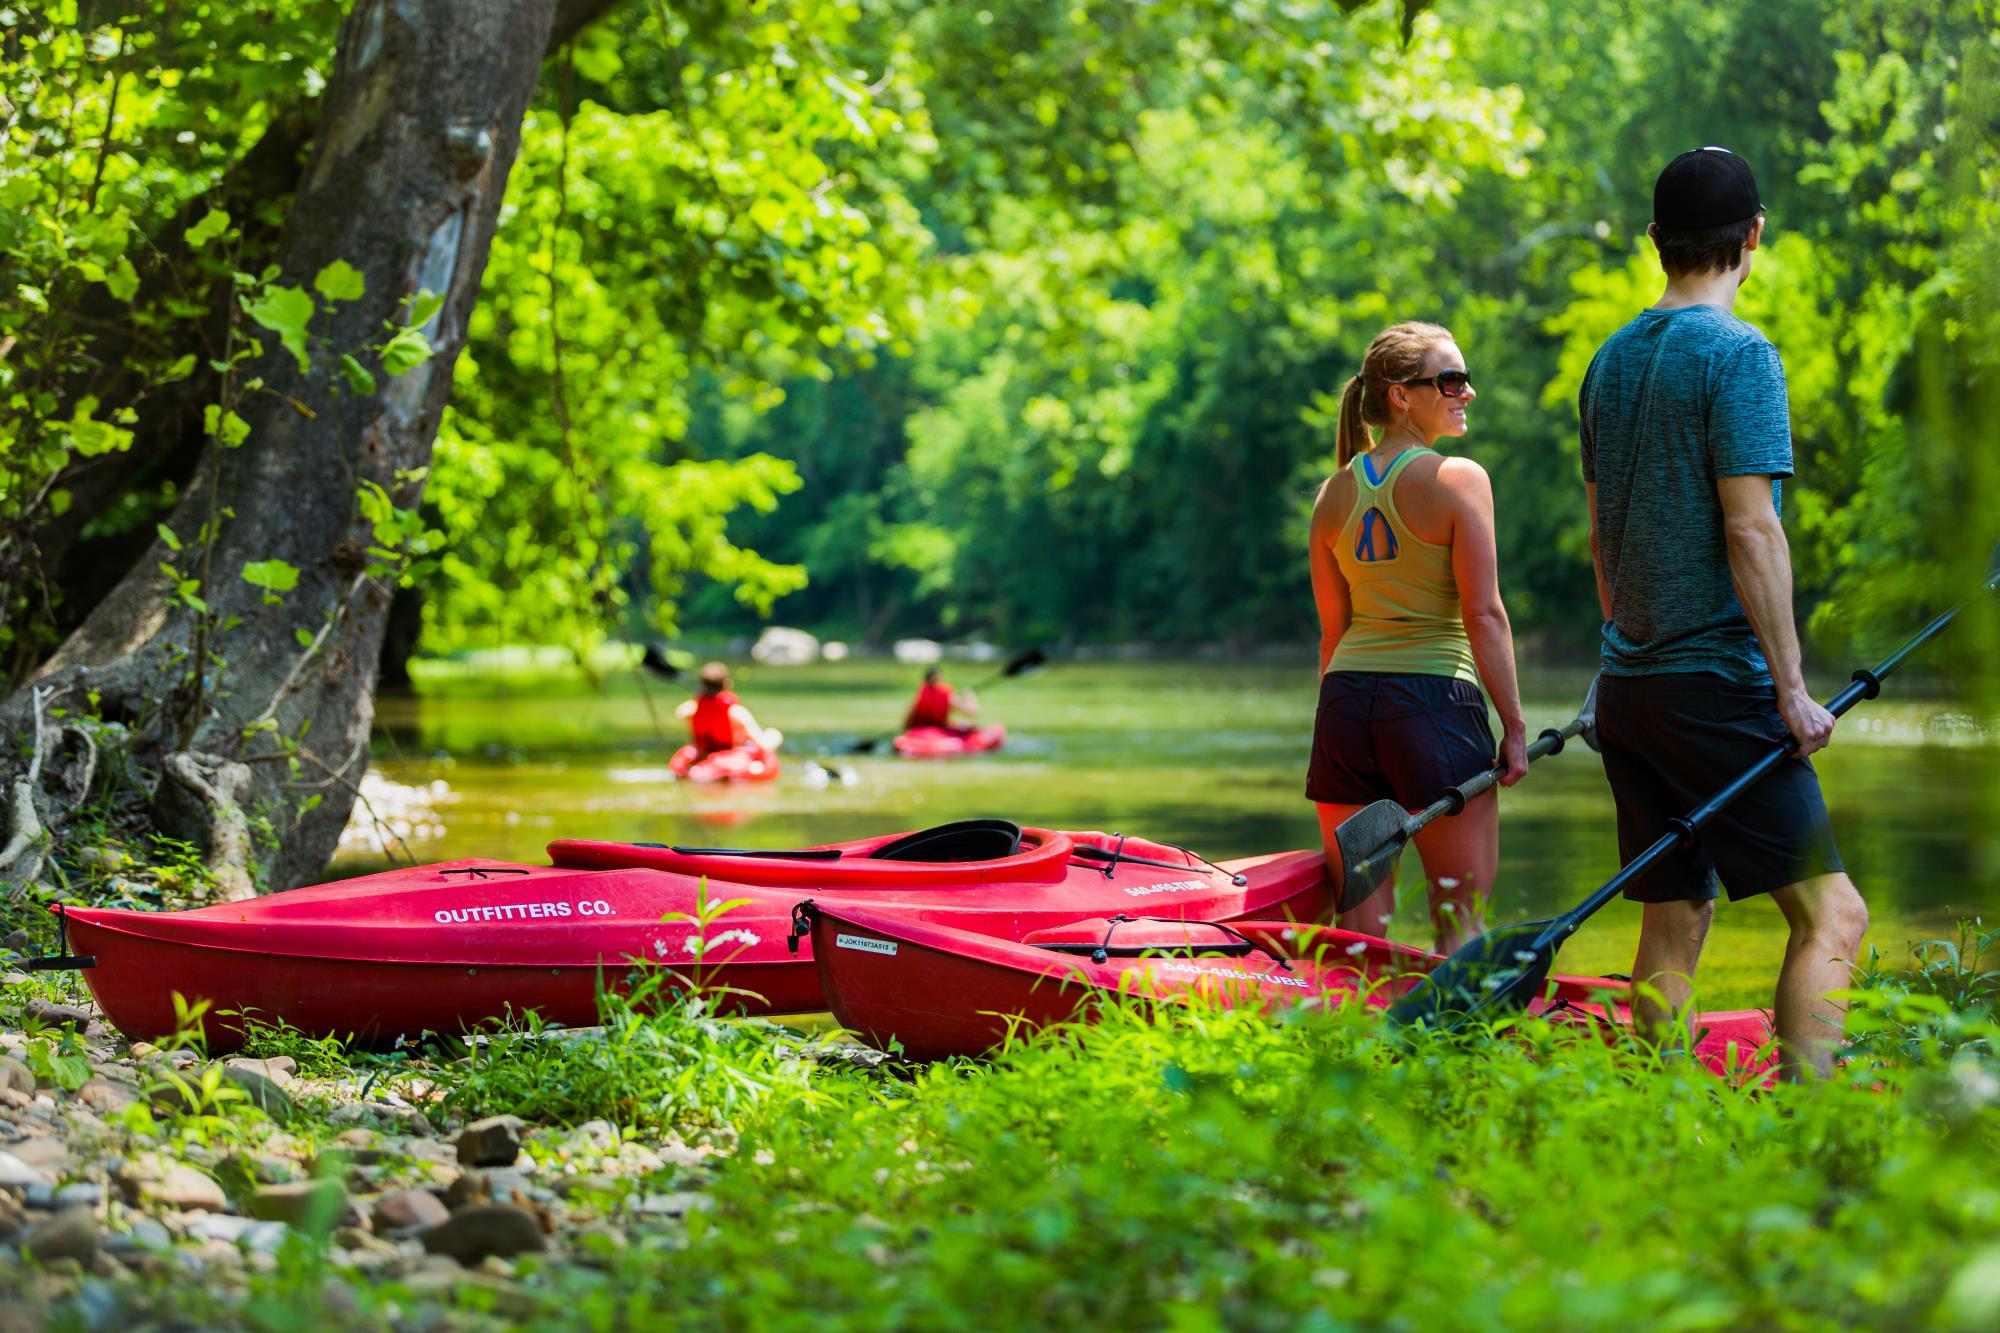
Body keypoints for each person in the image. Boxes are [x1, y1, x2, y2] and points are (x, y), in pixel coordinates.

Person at [1580, 146, 1864, 1079]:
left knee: (1676, 914)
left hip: (1631, 686)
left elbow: (1601, 542)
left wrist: (1624, 653)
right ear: (1755, 237)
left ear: (1656, 241)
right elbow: (1754, 532)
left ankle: (1658, 1122)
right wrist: (1790, 687)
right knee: (1833, 914)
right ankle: (1811, 1125)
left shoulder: (1608, 362)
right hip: (1716, 686)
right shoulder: (1742, 356)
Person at [1307, 321, 1528, 955]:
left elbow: (1332, 635)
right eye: (1451, 380)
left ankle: (1359, 1049)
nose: (1468, 392)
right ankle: (1459, 1053)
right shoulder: (1459, 479)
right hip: (1434, 706)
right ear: (1401, 395)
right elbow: (1484, 614)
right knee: (1460, 919)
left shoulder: (1332, 493)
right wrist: (1513, 729)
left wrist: (1348, 723)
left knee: (1360, 932)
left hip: (1345, 705)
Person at [674, 662, 775, 758]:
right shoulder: (735, 711)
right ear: (727, 684)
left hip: (704, 754)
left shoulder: (692, 708)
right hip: (729, 754)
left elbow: (680, 712)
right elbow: (759, 740)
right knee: (774, 734)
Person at [904, 667, 979, 734]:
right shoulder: (945, 693)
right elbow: (972, 711)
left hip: (918, 730)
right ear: (940, 678)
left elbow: (909, 717)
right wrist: (969, 697)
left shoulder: (922, 691)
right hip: (939, 732)